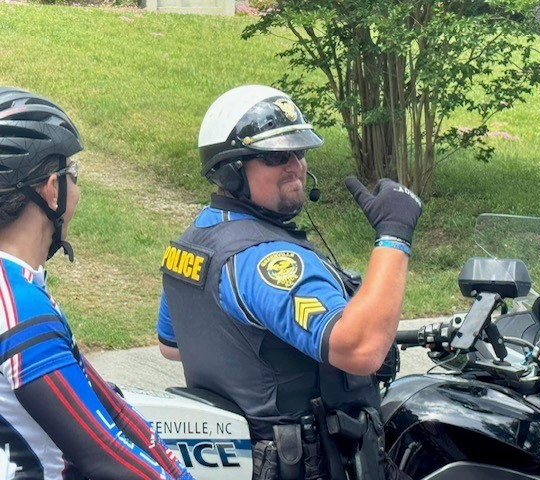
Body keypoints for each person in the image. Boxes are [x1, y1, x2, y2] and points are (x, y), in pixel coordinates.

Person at [157, 84, 422, 480]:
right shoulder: (268, 260)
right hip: (311, 467)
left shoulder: (194, 241)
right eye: (276, 156)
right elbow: (361, 349)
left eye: (299, 152)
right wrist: (394, 234)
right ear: (230, 170)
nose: (296, 165)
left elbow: (173, 345)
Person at [0, 87, 195, 480]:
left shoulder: (17, 289)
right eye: (73, 175)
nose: (78, 190)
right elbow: (102, 455)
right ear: (51, 189)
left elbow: (110, 407)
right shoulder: (20, 308)